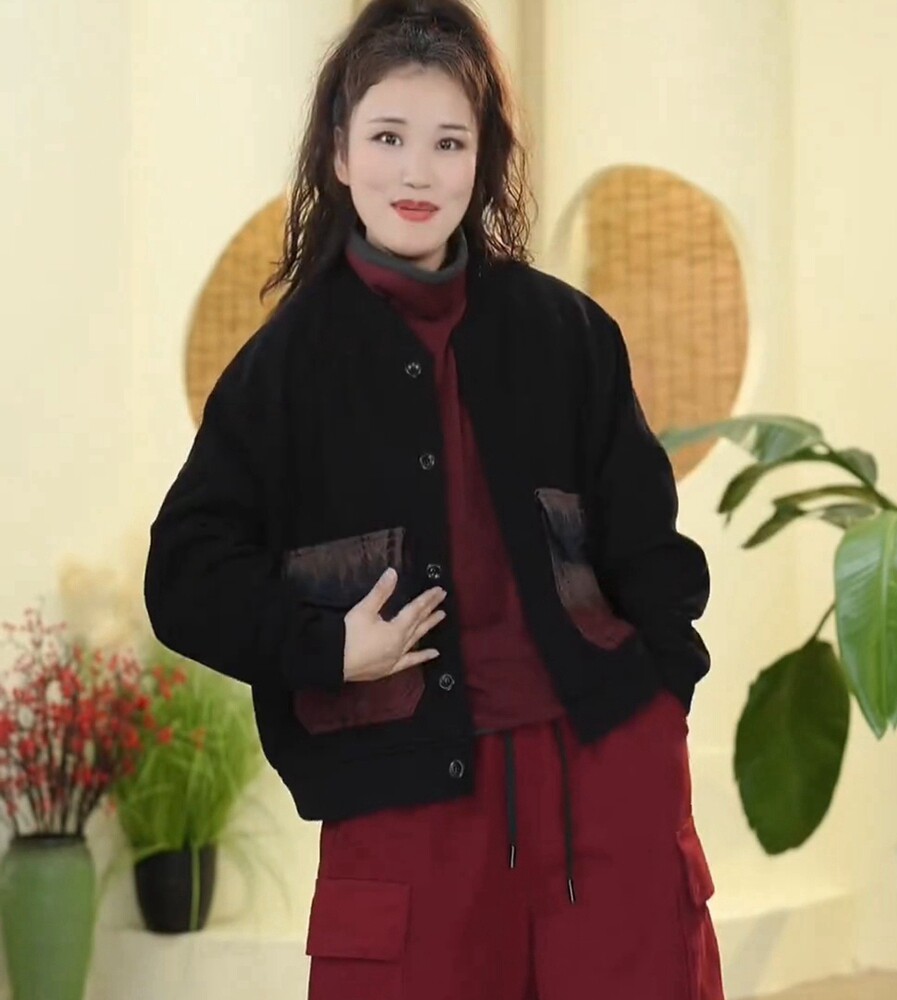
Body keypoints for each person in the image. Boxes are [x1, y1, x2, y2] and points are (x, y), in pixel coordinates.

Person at [143, 1, 725, 997]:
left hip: (603, 784)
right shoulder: (285, 369)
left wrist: (659, 705)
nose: (417, 172)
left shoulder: (568, 334)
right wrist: (329, 648)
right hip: (405, 810)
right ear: (338, 153)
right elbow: (185, 577)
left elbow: (648, 554)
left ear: (482, 160)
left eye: (448, 142)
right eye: (388, 137)